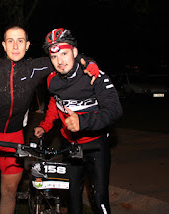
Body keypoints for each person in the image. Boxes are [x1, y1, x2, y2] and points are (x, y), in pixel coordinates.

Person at [0, 25, 100, 214]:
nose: (15, 46)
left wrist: (87, 62)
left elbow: (64, 56)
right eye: (10, 41)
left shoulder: (33, 68)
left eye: (20, 41)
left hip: (15, 139)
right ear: (4, 45)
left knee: (10, 192)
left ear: (27, 45)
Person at [34, 28, 122, 214]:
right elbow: (54, 104)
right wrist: (45, 125)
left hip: (95, 146)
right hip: (70, 147)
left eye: (65, 54)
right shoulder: (52, 80)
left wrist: (83, 122)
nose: (60, 61)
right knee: (73, 200)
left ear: (74, 52)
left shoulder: (93, 75)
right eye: (54, 57)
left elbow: (114, 110)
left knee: (99, 200)